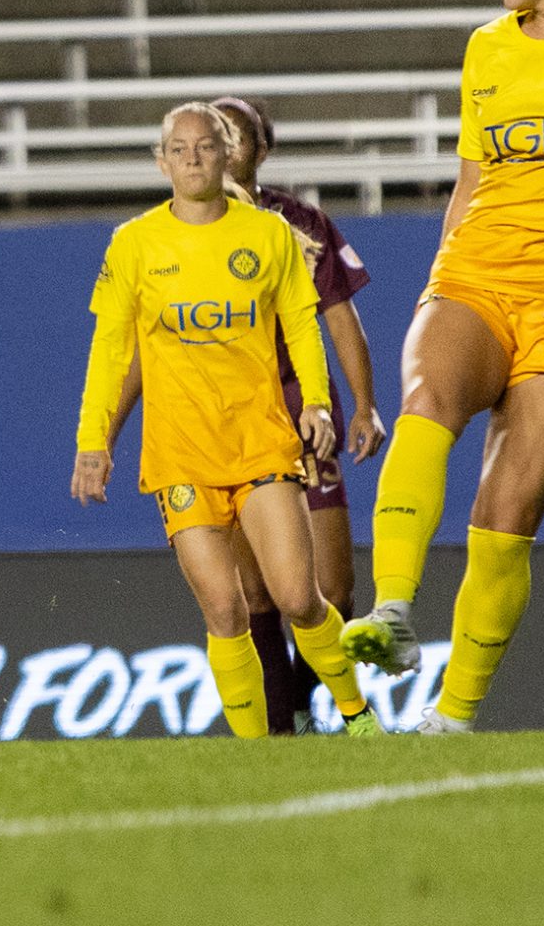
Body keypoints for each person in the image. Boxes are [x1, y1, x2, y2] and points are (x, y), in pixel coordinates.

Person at [341, 0, 544, 731]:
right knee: (427, 399)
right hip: (476, 273)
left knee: (506, 511)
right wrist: (441, 273)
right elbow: (473, 180)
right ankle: (391, 611)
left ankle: (452, 718)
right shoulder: (486, 47)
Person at [73, 105, 380, 740]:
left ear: (230, 153)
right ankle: (254, 752)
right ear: (161, 162)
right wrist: (92, 441)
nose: (192, 158)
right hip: (180, 452)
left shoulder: (269, 234)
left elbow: (302, 321)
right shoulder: (133, 243)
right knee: (224, 608)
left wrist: (319, 403)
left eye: (205, 147)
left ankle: (357, 715)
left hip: (260, 439)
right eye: (178, 149)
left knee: (300, 597)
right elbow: (111, 350)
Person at [212, 94, 388, 731]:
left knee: (332, 590)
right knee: (256, 592)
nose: (223, 146)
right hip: (228, 420)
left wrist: (364, 406)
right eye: (214, 133)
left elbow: (342, 319)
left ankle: (307, 695)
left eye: (237, 135)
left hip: (302, 413)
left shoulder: (304, 225)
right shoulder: (174, 232)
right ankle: (282, 726)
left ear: (263, 149)